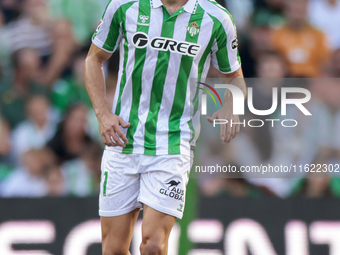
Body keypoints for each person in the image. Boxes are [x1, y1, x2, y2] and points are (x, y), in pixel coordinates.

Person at [84, 0, 246, 253]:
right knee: (113, 249)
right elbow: (94, 58)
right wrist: (103, 114)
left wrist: (232, 105)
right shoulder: (124, 6)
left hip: (173, 143)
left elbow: (234, 76)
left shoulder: (216, 18)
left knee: (153, 245)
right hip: (123, 139)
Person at [271, 0, 330, 77]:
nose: (298, 15)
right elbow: (274, 60)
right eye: (295, 10)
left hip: (312, 79)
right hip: (286, 79)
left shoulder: (318, 35)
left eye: (301, 10)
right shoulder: (277, 34)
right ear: (286, 11)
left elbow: (324, 62)